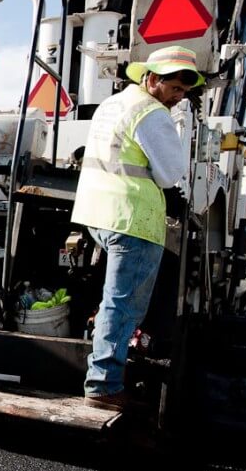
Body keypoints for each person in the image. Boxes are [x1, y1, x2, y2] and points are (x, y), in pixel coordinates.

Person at [71, 45, 202, 411]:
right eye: (175, 88)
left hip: (99, 213)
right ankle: (104, 385)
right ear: (152, 79)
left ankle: (102, 362)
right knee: (124, 305)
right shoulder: (152, 113)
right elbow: (170, 173)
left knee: (113, 300)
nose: (179, 98)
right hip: (133, 218)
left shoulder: (111, 105)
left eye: (183, 92)